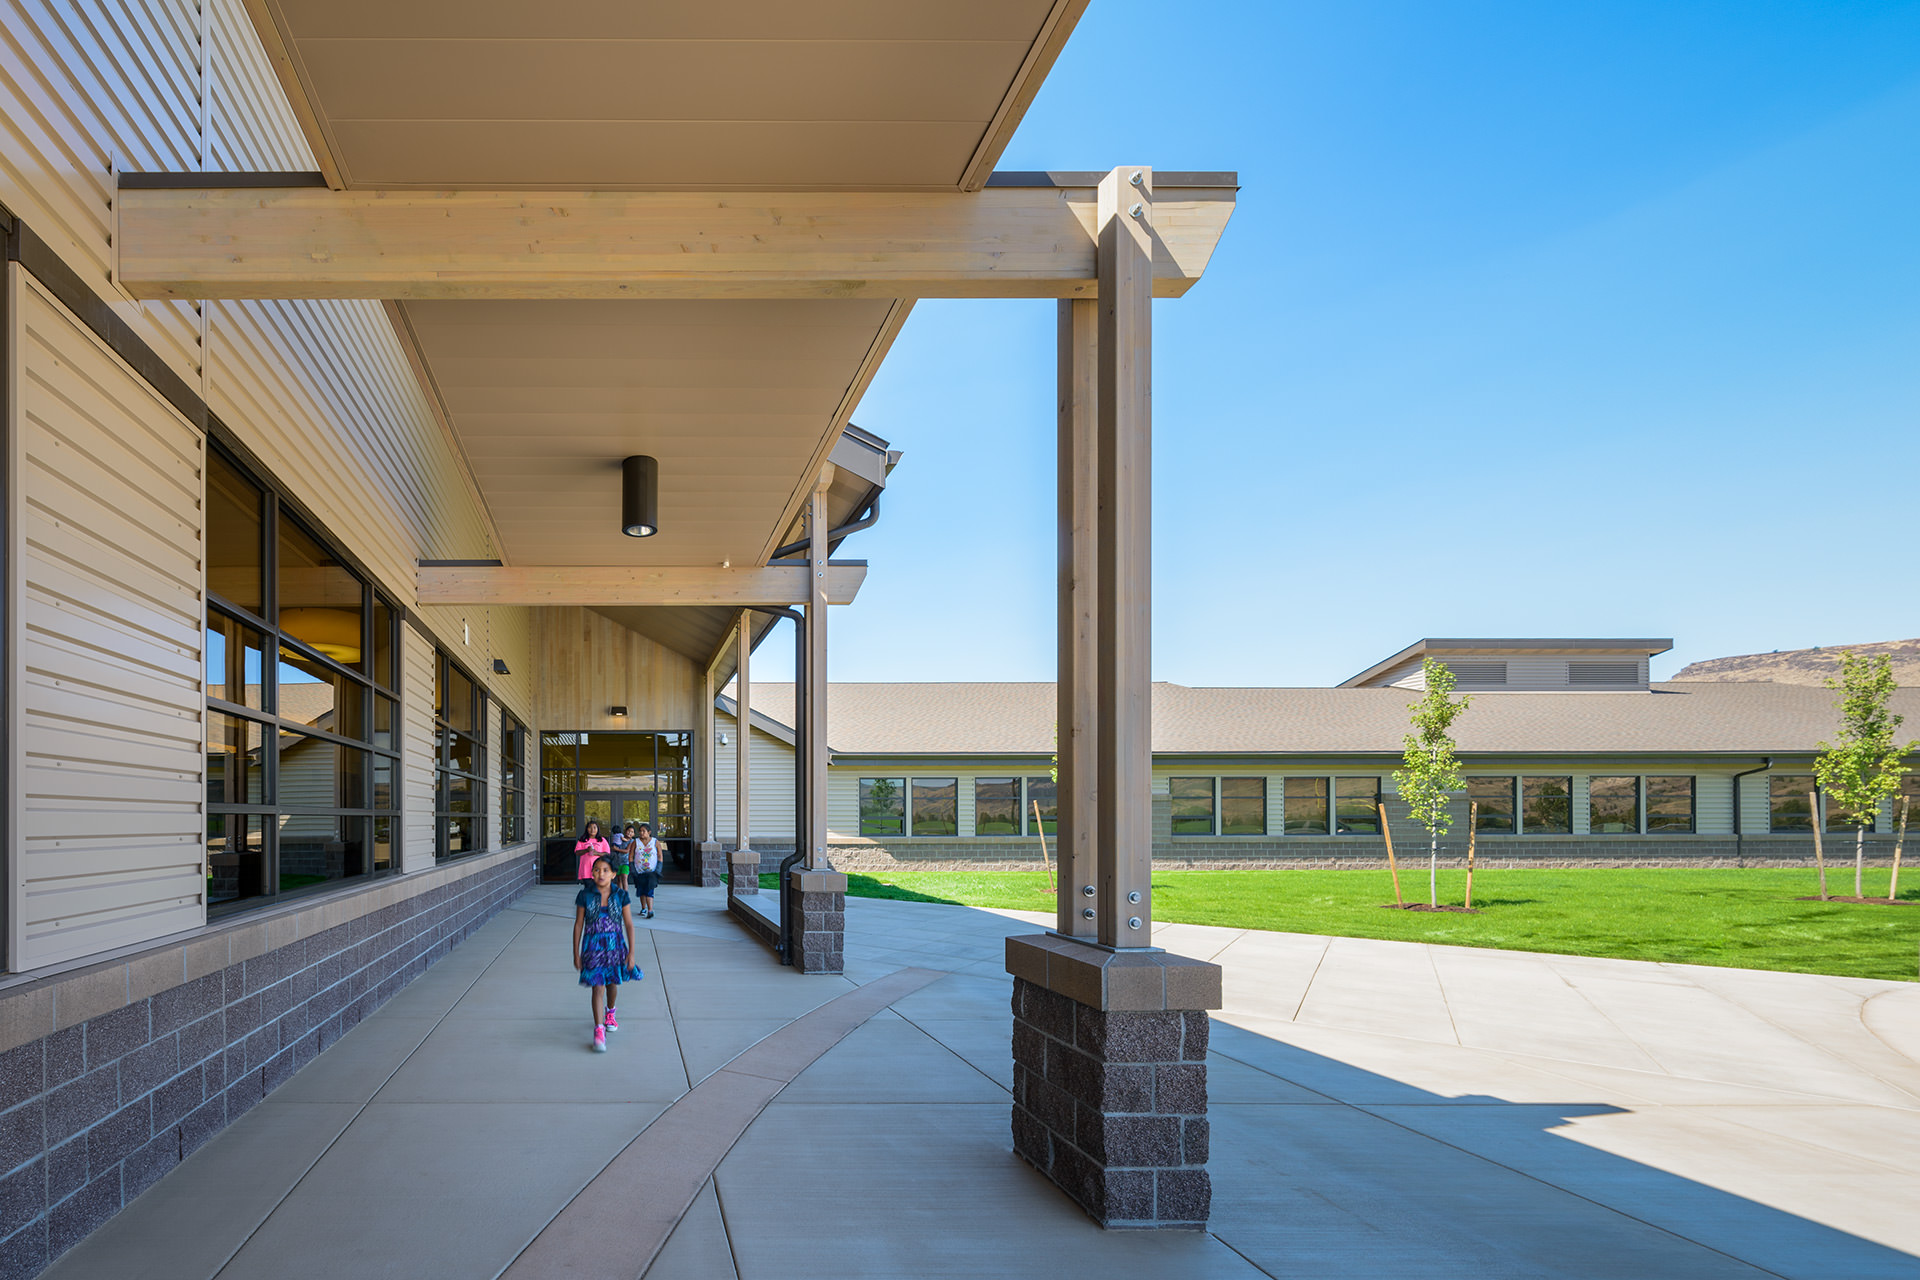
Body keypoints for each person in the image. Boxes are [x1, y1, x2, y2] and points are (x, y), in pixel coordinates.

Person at [573, 855, 637, 1052]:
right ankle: (598, 1029)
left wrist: (631, 953)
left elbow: (628, 924)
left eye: (605, 870)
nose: (600, 874)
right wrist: (576, 953)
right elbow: (578, 925)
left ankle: (611, 1012)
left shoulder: (621, 895)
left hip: (615, 946)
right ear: (591, 873)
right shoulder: (585, 895)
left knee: (611, 984)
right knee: (597, 987)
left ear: (614, 874)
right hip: (593, 947)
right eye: (597, 870)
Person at [631, 823, 662, 919]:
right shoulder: (635, 842)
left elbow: (660, 856)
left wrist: (658, 868)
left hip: (652, 872)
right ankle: (643, 908)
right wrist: (632, 867)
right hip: (639, 871)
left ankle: (650, 910)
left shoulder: (655, 842)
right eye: (640, 831)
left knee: (649, 890)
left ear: (649, 832)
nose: (641, 833)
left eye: (643, 831)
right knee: (641, 890)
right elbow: (631, 855)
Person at [574, 820, 610, 887]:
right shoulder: (582, 840)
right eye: (590, 827)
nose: (592, 829)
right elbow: (577, 852)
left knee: (598, 890)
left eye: (594, 827)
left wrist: (597, 853)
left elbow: (607, 853)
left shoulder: (602, 840)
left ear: (597, 829)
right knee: (588, 889)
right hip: (586, 869)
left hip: (599, 869)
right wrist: (586, 850)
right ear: (587, 829)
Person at [609, 822, 636, 891]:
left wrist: (617, 849)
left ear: (634, 834)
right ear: (625, 831)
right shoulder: (620, 838)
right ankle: (620, 893)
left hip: (626, 862)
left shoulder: (632, 841)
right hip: (617, 861)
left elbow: (627, 850)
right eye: (628, 831)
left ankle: (625, 893)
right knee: (619, 879)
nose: (629, 833)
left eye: (632, 832)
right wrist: (613, 848)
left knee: (624, 877)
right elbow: (613, 847)